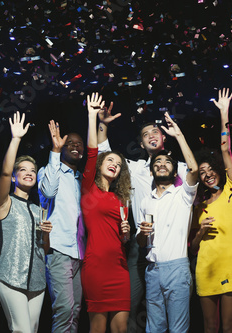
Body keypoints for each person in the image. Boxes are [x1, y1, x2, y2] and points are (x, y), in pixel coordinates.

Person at [97, 99, 188, 332]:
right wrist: (103, 125)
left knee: (173, 313)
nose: (151, 135)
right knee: (128, 305)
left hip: (172, 248)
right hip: (139, 247)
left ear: (164, 136)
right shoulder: (136, 168)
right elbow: (105, 155)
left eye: (155, 131)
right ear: (141, 142)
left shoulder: (179, 170)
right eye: (146, 134)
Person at [136, 112, 199, 333]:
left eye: (167, 162)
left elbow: (194, 170)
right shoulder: (146, 201)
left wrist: (179, 135)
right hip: (152, 270)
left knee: (178, 329)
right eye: (157, 162)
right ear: (152, 170)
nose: (162, 165)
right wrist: (142, 234)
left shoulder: (183, 195)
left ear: (174, 170)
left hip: (178, 269)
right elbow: (141, 242)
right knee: (154, 328)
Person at [191, 89, 232, 333]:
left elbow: (225, 151)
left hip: (230, 265)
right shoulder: (197, 207)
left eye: (209, 169)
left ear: (217, 170)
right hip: (205, 267)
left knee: (229, 326)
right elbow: (191, 248)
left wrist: (224, 112)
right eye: (201, 173)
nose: (207, 174)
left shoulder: (231, 192)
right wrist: (200, 232)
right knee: (209, 327)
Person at [0, 111, 53, 333]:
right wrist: (16, 139)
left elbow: (45, 249)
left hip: (37, 282)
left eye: (33, 170)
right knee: (22, 330)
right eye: (23, 170)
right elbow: (5, 173)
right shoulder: (4, 202)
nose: (29, 173)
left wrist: (46, 233)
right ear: (16, 176)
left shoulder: (40, 210)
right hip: (10, 278)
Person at [81, 92, 132, 333]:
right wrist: (92, 116)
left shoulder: (121, 198)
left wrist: (126, 234)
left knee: (121, 329)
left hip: (119, 268)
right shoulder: (89, 188)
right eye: (110, 160)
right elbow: (92, 150)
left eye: (119, 164)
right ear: (101, 164)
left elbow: (123, 238)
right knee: (98, 328)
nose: (114, 164)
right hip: (97, 266)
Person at [38, 120, 85, 333]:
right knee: (64, 310)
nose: (75, 146)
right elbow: (47, 192)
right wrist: (55, 152)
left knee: (75, 311)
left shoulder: (82, 180)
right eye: (70, 143)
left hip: (79, 253)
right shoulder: (49, 170)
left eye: (79, 144)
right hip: (58, 251)